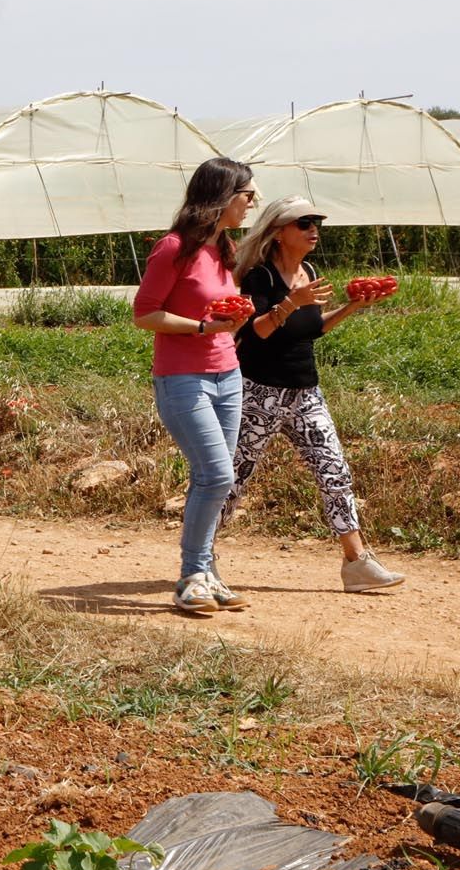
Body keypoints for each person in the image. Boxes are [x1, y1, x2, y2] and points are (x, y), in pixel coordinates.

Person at [222, 197, 406, 593]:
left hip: (305, 393)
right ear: (279, 231)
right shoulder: (261, 278)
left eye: (316, 221)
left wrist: (352, 306)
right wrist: (291, 302)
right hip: (260, 394)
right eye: (304, 222)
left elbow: (312, 328)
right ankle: (201, 556)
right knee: (233, 476)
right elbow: (259, 331)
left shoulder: (310, 271)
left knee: (334, 470)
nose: (313, 228)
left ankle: (357, 562)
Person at [132, 157, 257, 615]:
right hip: (184, 378)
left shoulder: (225, 249)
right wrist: (205, 328)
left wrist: (234, 321)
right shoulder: (173, 248)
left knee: (213, 480)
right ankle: (191, 576)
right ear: (223, 197)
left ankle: (206, 574)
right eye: (247, 195)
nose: (251, 204)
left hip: (228, 375)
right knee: (217, 475)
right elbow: (145, 313)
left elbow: (221, 314)